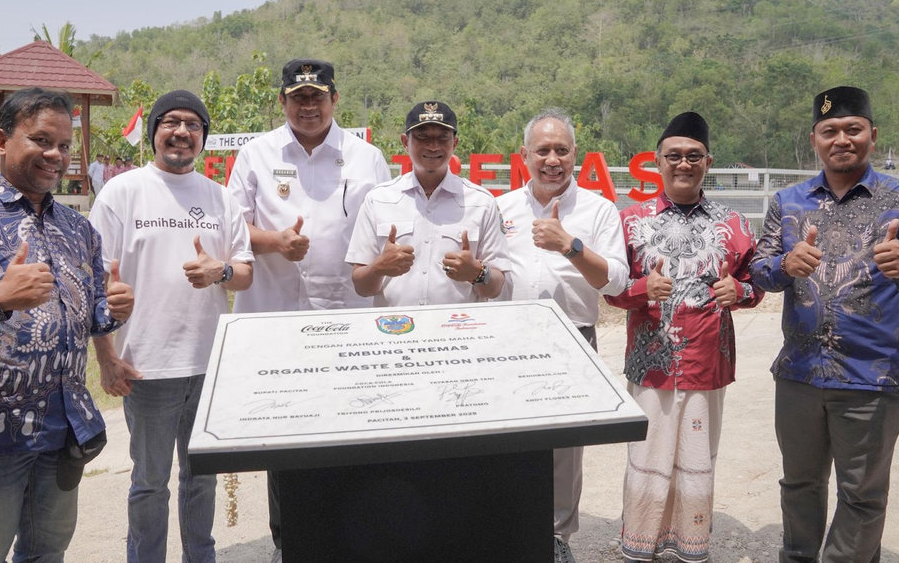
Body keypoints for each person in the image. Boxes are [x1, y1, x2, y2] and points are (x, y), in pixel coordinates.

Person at [0, 87, 135, 561]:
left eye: (64, 145)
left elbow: (88, 316)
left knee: (47, 554)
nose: (56, 155)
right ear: (1, 140)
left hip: (62, 429)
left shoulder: (77, 228)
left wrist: (113, 308)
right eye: (41, 140)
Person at [749, 86, 899, 562]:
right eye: (829, 130)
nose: (841, 139)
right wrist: (785, 264)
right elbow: (758, 270)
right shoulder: (788, 202)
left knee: (862, 494)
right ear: (814, 139)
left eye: (853, 129)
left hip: (873, 376)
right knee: (799, 484)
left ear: (872, 135)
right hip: (799, 374)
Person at [225, 58, 390, 561]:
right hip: (277, 319)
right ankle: (288, 541)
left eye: (317, 96)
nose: (308, 105)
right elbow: (231, 227)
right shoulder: (255, 154)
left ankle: (349, 536)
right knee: (285, 433)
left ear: (334, 99)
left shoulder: (367, 158)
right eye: (298, 97)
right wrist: (274, 242)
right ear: (283, 101)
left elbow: (387, 227)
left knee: (351, 428)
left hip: (349, 318)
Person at [89, 89, 255, 563]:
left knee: (201, 479)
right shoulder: (122, 193)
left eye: (193, 124)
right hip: (146, 368)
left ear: (203, 136)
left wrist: (219, 271)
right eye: (171, 122)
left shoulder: (220, 197)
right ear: (154, 132)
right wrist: (106, 357)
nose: (182, 132)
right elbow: (94, 281)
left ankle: (200, 556)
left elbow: (244, 272)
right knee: (149, 483)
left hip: (208, 367)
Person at [605, 111, 763, 562]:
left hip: (707, 362)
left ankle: (689, 544)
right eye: (674, 156)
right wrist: (642, 288)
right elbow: (612, 291)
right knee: (648, 456)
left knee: (697, 456)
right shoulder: (630, 221)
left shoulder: (735, 224)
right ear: (657, 161)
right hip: (650, 363)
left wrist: (740, 292)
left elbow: (756, 283)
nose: (684, 164)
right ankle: (642, 543)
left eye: (694, 156)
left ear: (708, 162)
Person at [496, 108, 629, 563]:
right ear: (524, 156)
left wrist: (569, 246)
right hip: (509, 339)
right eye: (542, 151)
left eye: (561, 150)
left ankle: (556, 537)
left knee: (564, 447)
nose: (552, 160)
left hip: (572, 338)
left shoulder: (599, 209)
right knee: (507, 437)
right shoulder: (501, 208)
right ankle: (507, 527)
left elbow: (614, 281)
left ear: (576, 154)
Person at [347, 100, 510, 305]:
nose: (433, 146)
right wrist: (378, 268)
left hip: (460, 324)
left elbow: (496, 287)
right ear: (405, 142)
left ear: (454, 143)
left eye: (443, 137)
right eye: (422, 137)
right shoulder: (378, 199)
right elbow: (361, 287)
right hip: (396, 323)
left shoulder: (481, 202)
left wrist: (477, 273)